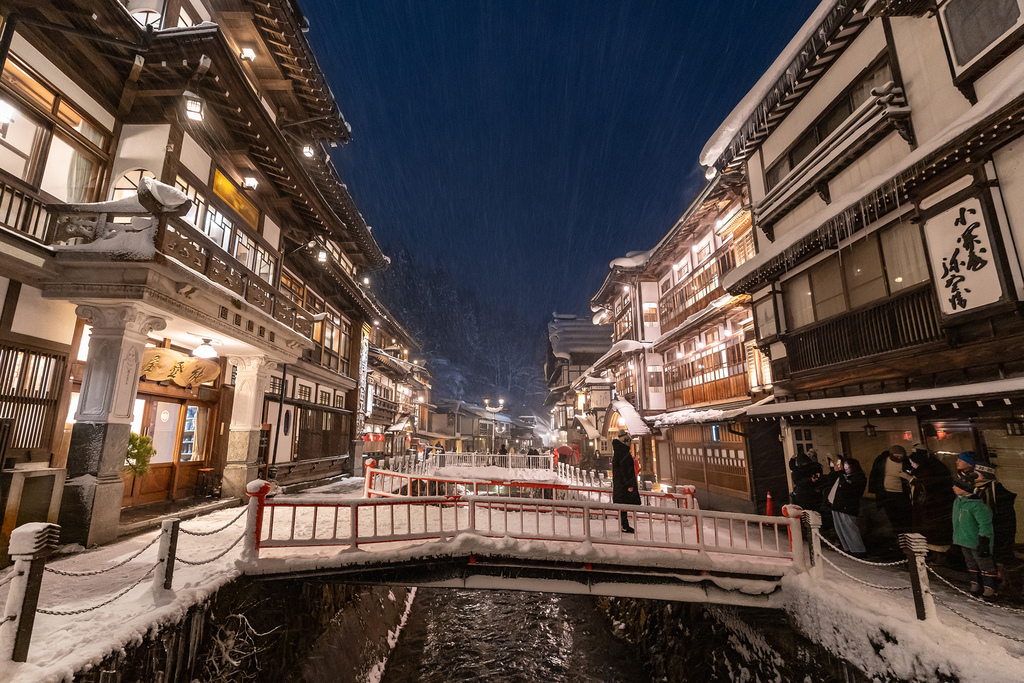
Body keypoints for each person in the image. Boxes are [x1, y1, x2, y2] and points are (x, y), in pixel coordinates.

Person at [952, 474, 998, 598]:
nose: (953, 487)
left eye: (956, 486)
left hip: (976, 541)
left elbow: (985, 524)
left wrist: (984, 539)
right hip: (963, 540)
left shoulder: (977, 506)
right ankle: (975, 584)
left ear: (964, 489)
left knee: (984, 564)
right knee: (970, 563)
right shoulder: (958, 502)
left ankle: (990, 588)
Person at [906, 448, 955, 560]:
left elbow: (928, 487)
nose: (911, 464)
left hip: (933, 508)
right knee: (931, 532)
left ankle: (939, 555)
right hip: (930, 508)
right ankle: (934, 553)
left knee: (935, 533)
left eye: (912, 462)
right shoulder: (929, 469)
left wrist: (912, 481)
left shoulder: (929, 472)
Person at [973, 462, 1018, 567]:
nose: (974, 477)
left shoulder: (998, 494)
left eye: (977, 475)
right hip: (986, 532)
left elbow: (1005, 519)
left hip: (998, 533)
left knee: (999, 559)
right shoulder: (978, 490)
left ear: (985, 476)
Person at [822, 457, 868, 557]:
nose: (845, 468)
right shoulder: (842, 476)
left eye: (847, 466)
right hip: (838, 505)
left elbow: (849, 490)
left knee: (849, 528)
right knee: (840, 528)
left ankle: (858, 549)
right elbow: (830, 480)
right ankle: (848, 547)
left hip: (847, 506)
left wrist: (841, 475)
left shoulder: (858, 478)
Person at [869, 446, 913, 539]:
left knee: (905, 519)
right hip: (887, 494)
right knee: (893, 518)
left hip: (901, 494)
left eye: (901, 457)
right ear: (891, 455)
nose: (899, 459)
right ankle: (899, 539)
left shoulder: (906, 462)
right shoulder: (882, 460)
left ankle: (908, 539)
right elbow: (875, 474)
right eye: (897, 457)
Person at [612, 429, 641, 533]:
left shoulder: (618, 452)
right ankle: (624, 525)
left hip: (619, 484)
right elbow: (625, 471)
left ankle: (624, 524)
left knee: (622, 505)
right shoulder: (624, 454)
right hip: (624, 485)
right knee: (624, 504)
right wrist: (629, 484)